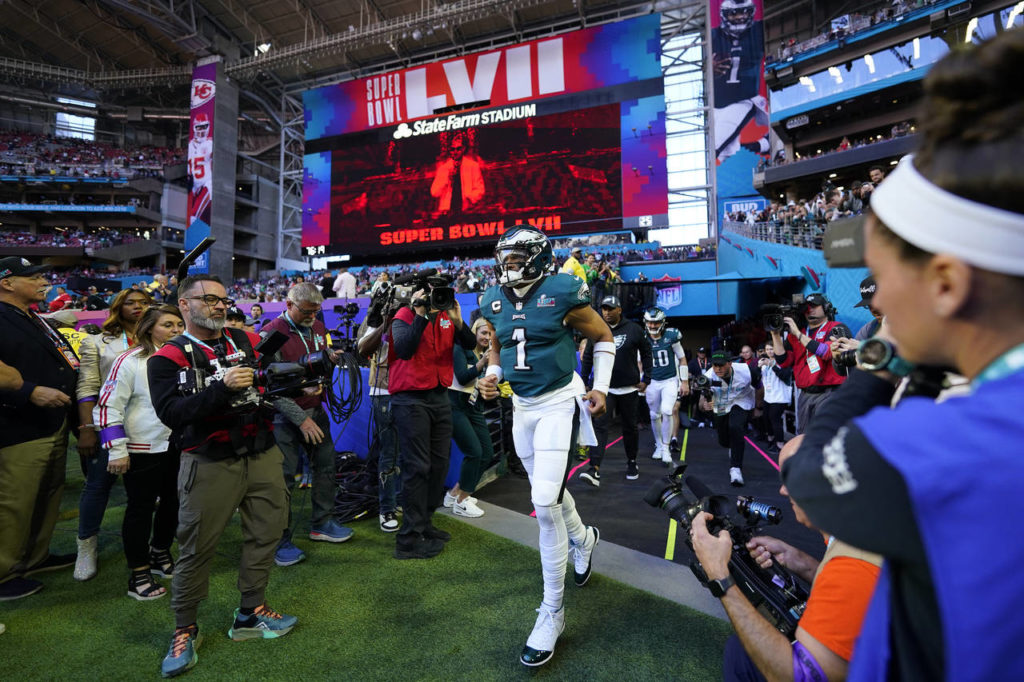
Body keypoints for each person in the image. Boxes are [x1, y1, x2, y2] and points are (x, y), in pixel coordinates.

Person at [784, 31, 1024, 680]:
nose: (881, 300)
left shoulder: (959, 445)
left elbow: (809, 473)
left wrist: (881, 361)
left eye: (885, 279)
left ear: (946, 284)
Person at [477, 226, 612, 667]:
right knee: (548, 495)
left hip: (557, 400)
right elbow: (498, 347)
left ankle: (552, 612)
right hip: (523, 406)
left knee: (542, 502)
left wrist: (601, 386)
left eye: (516, 258)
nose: (508, 266)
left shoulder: (562, 289)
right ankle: (583, 539)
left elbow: (603, 336)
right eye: (505, 258)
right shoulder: (492, 298)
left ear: (537, 258)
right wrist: (492, 377)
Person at [148, 274, 294, 677]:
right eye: (209, 299)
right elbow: (172, 414)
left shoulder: (244, 340)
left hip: (261, 451)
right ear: (184, 304)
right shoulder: (166, 358)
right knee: (197, 547)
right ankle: (184, 628)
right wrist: (222, 389)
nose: (219, 306)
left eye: (223, 299)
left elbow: (267, 385)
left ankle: (250, 612)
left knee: (267, 533)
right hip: (208, 459)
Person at [691, 436, 881, 682]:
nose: (782, 490)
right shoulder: (861, 530)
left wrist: (720, 576)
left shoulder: (855, 569)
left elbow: (798, 676)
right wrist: (798, 560)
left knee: (741, 656)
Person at [93, 305, 184, 600]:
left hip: (180, 444)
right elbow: (108, 406)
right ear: (149, 328)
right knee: (140, 508)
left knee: (174, 503)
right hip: (142, 447)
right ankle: (139, 571)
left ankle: (160, 551)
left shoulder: (187, 356)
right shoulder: (130, 360)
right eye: (167, 325)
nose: (176, 330)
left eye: (179, 324)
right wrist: (116, 450)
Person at [0, 257, 78, 601]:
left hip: (52, 420)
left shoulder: (31, 316)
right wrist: (28, 391)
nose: (43, 282)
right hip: (17, 423)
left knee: (47, 492)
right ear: (7, 283)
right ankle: (4, 573)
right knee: (15, 501)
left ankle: (34, 557)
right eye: (33, 277)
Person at [261, 283, 353, 568]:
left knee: (326, 465)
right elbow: (268, 388)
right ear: (289, 305)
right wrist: (301, 419)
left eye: (316, 311)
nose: (313, 316)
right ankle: (279, 539)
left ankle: (322, 523)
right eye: (306, 311)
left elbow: (315, 363)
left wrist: (329, 360)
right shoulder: (271, 334)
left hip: (315, 409)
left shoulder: (318, 328)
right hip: (284, 417)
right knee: (283, 479)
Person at [388, 275, 475, 559]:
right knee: (417, 467)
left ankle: (424, 523)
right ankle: (408, 540)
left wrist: (458, 320)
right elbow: (404, 349)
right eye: (433, 291)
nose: (438, 296)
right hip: (411, 398)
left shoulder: (447, 317)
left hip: (439, 396)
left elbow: (470, 343)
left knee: (439, 465)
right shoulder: (404, 314)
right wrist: (420, 313)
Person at [74, 287, 152, 581]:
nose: (138, 307)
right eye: (130, 303)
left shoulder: (160, 339)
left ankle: (147, 546)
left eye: (144, 302)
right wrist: (87, 429)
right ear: (118, 308)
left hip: (149, 425)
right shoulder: (97, 342)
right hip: (109, 424)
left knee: (144, 493)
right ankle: (86, 546)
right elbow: (87, 386)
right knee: (97, 487)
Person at [579, 295, 652, 485]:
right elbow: (588, 357)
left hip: (629, 388)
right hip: (604, 389)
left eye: (611, 309)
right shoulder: (596, 329)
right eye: (604, 309)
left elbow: (646, 352)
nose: (607, 312)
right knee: (600, 426)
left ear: (619, 310)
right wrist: (584, 381)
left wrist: (647, 378)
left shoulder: (634, 329)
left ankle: (632, 462)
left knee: (630, 428)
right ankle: (594, 468)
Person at [770, 294, 850, 433]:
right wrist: (775, 335)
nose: (809, 310)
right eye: (806, 307)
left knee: (825, 435)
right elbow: (783, 362)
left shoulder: (836, 327)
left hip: (829, 393)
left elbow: (827, 352)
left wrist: (798, 334)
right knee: (804, 436)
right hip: (805, 395)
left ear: (826, 308)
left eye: (814, 306)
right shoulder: (797, 333)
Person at [442, 317, 494, 518]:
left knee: (487, 452)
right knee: (474, 452)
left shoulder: (487, 355)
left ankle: (455, 493)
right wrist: (482, 363)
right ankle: (461, 501)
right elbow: (463, 377)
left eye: (489, 333)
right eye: (483, 333)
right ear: (474, 332)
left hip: (473, 408)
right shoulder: (460, 348)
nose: (487, 337)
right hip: (456, 407)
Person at [357, 309, 401, 533]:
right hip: (385, 391)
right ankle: (387, 507)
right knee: (390, 453)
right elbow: (363, 348)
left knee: (405, 451)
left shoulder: (417, 310)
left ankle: (397, 499)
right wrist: (386, 321)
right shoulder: (377, 315)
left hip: (412, 389)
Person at [711, 0, 769, 162]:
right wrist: (708, 67)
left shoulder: (758, 31)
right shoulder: (713, 36)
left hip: (743, 99)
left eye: (744, 12)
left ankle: (760, 146)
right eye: (733, 13)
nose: (739, 17)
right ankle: (756, 148)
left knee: (714, 147)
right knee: (725, 151)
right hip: (715, 105)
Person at [699, 350, 759, 486]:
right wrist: (704, 404)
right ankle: (732, 446)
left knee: (736, 427)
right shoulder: (708, 376)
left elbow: (759, 387)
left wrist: (759, 407)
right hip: (721, 404)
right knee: (724, 441)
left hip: (741, 400)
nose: (718, 368)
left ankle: (735, 468)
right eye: (715, 365)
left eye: (721, 365)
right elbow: (702, 400)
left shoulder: (746, 370)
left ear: (730, 363)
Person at [642, 307, 689, 465]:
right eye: (650, 322)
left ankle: (666, 447)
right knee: (654, 415)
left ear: (662, 323)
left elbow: (682, 359)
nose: (652, 326)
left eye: (656, 322)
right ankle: (659, 445)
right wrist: (641, 381)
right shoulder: (642, 337)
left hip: (669, 380)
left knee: (668, 411)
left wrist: (684, 382)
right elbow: (639, 362)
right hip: (652, 381)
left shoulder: (671, 336)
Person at [429, 131, 484, 215]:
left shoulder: (473, 166)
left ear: (463, 149)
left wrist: (469, 199)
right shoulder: (443, 169)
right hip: (447, 212)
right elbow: (434, 192)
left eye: (458, 149)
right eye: (452, 149)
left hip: (467, 211)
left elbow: (480, 190)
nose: (455, 152)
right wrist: (446, 180)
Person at [758, 341, 792, 455]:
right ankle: (771, 439)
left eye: (772, 349)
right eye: (767, 349)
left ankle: (780, 444)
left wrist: (772, 365)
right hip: (768, 396)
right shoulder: (764, 362)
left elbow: (784, 375)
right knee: (766, 419)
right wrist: (758, 367)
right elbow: (757, 378)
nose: (769, 351)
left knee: (775, 419)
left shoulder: (783, 361)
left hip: (780, 397)